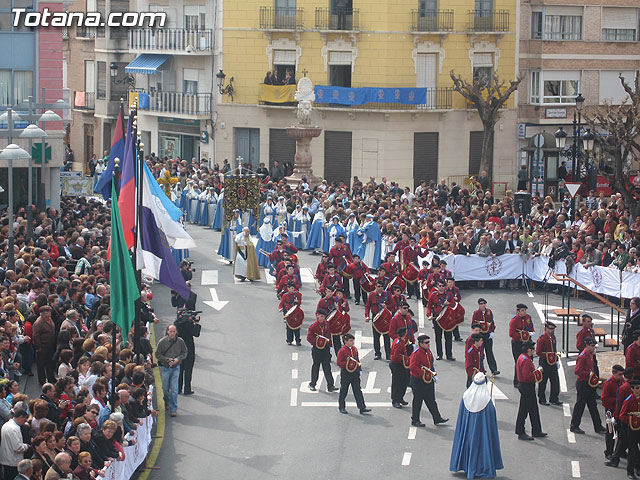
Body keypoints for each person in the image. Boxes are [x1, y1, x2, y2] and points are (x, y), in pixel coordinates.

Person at [450, 372, 504, 479]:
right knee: (482, 446)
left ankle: (466, 466)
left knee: (468, 445)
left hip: (468, 429)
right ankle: (481, 468)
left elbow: (462, 416)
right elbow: (491, 417)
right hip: (481, 430)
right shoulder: (486, 400)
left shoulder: (466, 396)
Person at [409, 334, 448, 427]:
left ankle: (437, 418)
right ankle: (415, 420)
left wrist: (433, 374)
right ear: (421, 344)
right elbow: (412, 367)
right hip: (418, 380)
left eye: (428, 342)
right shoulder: (416, 353)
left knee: (431, 400)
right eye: (426, 343)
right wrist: (423, 373)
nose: (428, 344)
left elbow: (430, 363)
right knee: (418, 400)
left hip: (428, 379)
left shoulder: (428, 352)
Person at [570, 337, 607, 434]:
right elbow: (577, 371)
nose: (593, 348)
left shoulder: (590, 355)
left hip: (589, 383)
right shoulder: (583, 356)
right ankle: (574, 425)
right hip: (583, 383)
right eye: (592, 346)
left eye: (594, 346)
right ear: (586, 345)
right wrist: (588, 374)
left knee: (592, 405)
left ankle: (598, 426)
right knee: (580, 405)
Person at [515, 342, 546, 440]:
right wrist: (537, 372)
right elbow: (527, 376)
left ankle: (536, 430)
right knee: (524, 410)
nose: (534, 351)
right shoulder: (525, 360)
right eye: (533, 349)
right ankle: (520, 431)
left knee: (533, 409)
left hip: (527, 386)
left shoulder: (523, 358)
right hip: (526, 386)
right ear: (529, 350)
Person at [156, 325, 188, 417]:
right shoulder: (162, 342)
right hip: (166, 368)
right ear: (167, 332)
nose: (172, 333)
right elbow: (158, 354)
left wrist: (178, 359)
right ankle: (167, 401)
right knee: (165, 389)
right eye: (171, 331)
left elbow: (185, 352)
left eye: (174, 331)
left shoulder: (180, 341)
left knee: (174, 389)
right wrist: (167, 360)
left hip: (176, 367)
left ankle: (173, 408)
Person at [336, 334, 370, 415]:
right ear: (345, 341)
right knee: (344, 390)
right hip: (346, 373)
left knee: (357, 390)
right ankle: (342, 407)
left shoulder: (354, 349)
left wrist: (359, 369)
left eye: (353, 340)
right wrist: (348, 363)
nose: (352, 342)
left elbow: (357, 359)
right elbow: (339, 363)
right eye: (350, 341)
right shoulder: (342, 351)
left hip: (354, 372)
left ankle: (362, 407)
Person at [307, 310, 337, 393]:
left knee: (327, 367)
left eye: (324, 317)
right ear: (317, 316)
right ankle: (312, 384)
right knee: (316, 366)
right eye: (321, 316)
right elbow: (309, 338)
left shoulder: (327, 325)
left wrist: (331, 346)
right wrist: (317, 341)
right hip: (316, 349)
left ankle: (330, 385)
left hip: (325, 349)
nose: (322, 318)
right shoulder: (313, 326)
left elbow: (329, 335)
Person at [175, 309, 201, 396]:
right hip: (189, 350)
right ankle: (187, 388)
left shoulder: (176, 324)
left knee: (180, 369)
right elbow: (196, 333)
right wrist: (196, 322)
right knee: (188, 370)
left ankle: (178, 388)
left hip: (179, 350)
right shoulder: (189, 324)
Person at [601, 364, 625, 461]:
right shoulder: (609, 383)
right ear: (613, 373)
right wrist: (618, 400)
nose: (621, 376)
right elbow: (604, 399)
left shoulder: (621, 382)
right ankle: (609, 452)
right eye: (619, 374)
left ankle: (620, 451)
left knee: (621, 432)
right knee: (611, 432)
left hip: (619, 410)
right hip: (610, 411)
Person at [536, 321, 561, 406]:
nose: (552, 330)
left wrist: (556, 359)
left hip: (552, 362)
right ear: (546, 328)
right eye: (550, 329)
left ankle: (554, 398)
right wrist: (548, 356)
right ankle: (542, 399)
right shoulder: (542, 339)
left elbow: (554, 349)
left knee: (555, 381)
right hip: (545, 362)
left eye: (553, 329)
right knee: (543, 382)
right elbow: (538, 352)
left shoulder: (553, 337)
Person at [509, 304, 535, 387]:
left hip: (527, 342)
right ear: (518, 311)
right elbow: (511, 333)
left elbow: (531, 327)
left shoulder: (528, 317)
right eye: (522, 310)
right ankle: (517, 381)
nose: (524, 312)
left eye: (525, 310)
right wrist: (522, 335)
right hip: (517, 343)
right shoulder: (514, 320)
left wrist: (531, 333)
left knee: (529, 360)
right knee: (518, 362)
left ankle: (528, 379)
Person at [619, 380, 640, 479]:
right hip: (632, 428)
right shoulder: (628, 400)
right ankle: (630, 472)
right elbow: (622, 416)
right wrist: (633, 419)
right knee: (632, 450)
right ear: (632, 389)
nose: (638, 390)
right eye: (636, 388)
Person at [0, 409, 29, 480]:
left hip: (5, 459)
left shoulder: (5, 425)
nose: (24, 422)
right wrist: (27, 446)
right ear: (21, 417)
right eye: (24, 420)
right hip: (13, 461)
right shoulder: (14, 428)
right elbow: (17, 447)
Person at [472, 298, 499, 375]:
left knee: (489, 352)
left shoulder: (489, 312)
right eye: (481, 304)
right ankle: (481, 369)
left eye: (484, 303)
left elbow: (492, 323)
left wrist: (492, 332)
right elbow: (473, 324)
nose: (482, 305)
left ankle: (494, 369)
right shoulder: (476, 313)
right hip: (480, 335)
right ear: (478, 305)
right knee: (480, 353)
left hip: (488, 334)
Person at [389, 327, 411, 408]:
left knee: (404, 381)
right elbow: (396, 356)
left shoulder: (400, 341)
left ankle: (400, 398)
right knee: (397, 383)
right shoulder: (399, 343)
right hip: (397, 364)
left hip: (400, 364)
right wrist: (406, 359)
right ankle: (395, 400)